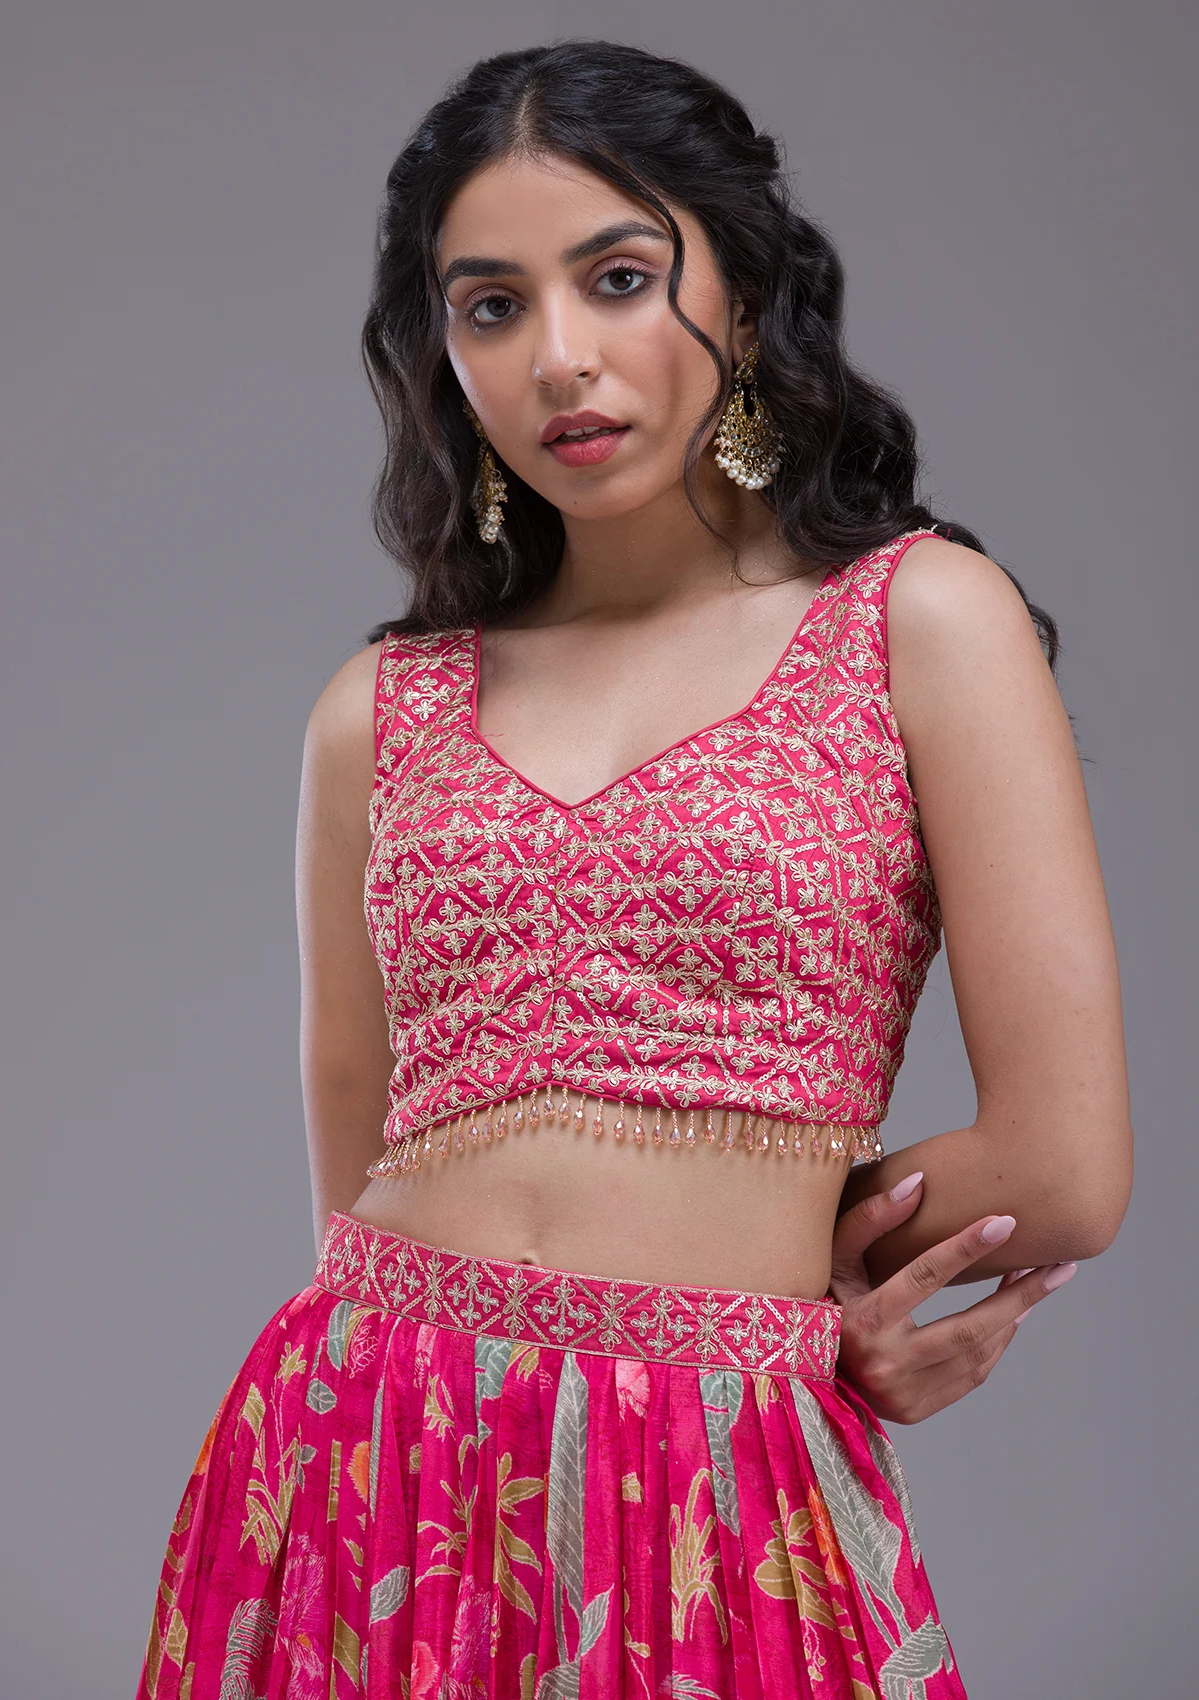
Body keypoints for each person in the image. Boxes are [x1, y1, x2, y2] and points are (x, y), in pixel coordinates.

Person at [135, 39, 1132, 1700]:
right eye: (491, 306)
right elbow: (352, 1182)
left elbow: (1066, 1162)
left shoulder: (915, 622)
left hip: (712, 1459)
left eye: (617, 278)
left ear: (742, 293)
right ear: (442, 349)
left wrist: (797, 1272)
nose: (560, 357)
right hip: (362, 1450)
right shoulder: (378, 710)